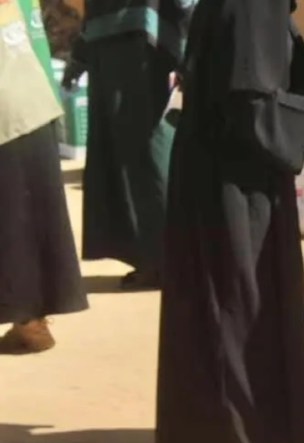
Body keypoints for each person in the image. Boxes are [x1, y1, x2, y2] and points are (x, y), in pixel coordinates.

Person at [154, 0, 304, 443]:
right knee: (243, 302)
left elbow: (270, 58)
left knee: (240, 297)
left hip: (227, 169)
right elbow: (248, 102)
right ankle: (257, 441)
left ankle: (250, 436)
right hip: (233, 178)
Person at [60, 0, 196, 290]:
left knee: (147, 152)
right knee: (119, 154)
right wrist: (82, 53)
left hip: (144, 49)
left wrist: (190, 52)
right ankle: (151, 258)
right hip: (110, 46)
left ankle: (167, 259)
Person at [0, 0, 88, 354]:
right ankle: (31, 321)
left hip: (9, 112)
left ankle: (30, 321)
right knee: (27, 217)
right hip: (33, 104)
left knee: (15, 218)